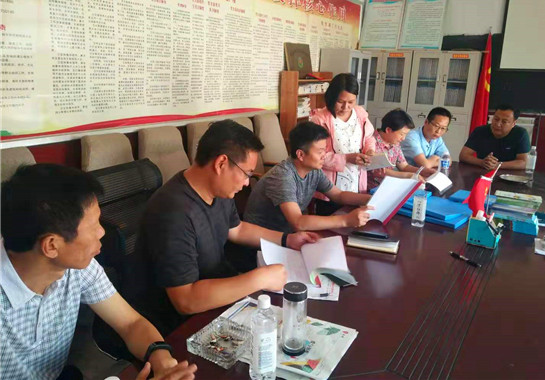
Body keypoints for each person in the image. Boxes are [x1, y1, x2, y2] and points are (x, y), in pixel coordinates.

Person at [0, 164, 197, 380]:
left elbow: (130, 323)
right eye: (93, 225)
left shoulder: (76, 267)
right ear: (52, 246)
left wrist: (163, 363)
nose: (102, 232)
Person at [136, 120, 318, 334]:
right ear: (221, 163)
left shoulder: (218, 189)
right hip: (180, 324)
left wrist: (287, 239)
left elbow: (237, 229)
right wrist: (259, 278)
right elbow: (185, 300)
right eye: (247, 173)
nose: (247, 183)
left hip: (218, 294)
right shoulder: (172, 212)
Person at [243, 122, 373, 233]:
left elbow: (338, 195)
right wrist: (346, 220)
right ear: (300, 155)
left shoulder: (314, 171)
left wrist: (370, 200)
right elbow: (298, 222)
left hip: (288, 234)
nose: (324, 156)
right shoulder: (283, 177)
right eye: (320, 152)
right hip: (263, 240)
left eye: (325, 150)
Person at [309, 73, 376, 215]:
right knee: (331, 223)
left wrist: (370, 151)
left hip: (356, 181)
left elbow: (369, 137)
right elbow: (315, 155)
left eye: (351, 102)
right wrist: (346, 158)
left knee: (356, 221)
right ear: (332, 97)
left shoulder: (360, 114)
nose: (346, 107)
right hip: (330, 189)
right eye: (340, 102)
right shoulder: (320, 120)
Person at [367, 109, 432, 191]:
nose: (403, 138)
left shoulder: (395, 143)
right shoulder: (371, 142)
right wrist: (409, 176)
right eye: (402, 134)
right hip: (371, 190)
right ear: (388, 130)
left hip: (390, 187)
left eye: (406, 134)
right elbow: (380, 172)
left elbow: (404, 166)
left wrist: (423, 171)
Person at [459, 104, 530, 170]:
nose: (498, 124)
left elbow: (523, 163)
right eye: (496, 119)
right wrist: (482, 162)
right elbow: (463, 155)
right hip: (483, 172)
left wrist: (497, 165)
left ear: (513, 123)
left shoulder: (521, 134)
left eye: (504, 121)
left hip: (509, 174)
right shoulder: (480, 131)